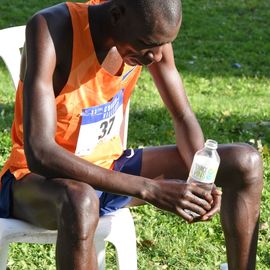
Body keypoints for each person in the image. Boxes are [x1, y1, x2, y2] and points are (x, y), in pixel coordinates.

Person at [0, 0, 263, 269]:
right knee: (81, 201)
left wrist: (201, 180)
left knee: (245, 161)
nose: (156, 57)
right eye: (148, 45)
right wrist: (149, 189)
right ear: (117, 15)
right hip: (38, 183)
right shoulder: (51, 29)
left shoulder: (151, 34)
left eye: (163, 45)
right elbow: (40, 153)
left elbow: (182, 115)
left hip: (111, 168)